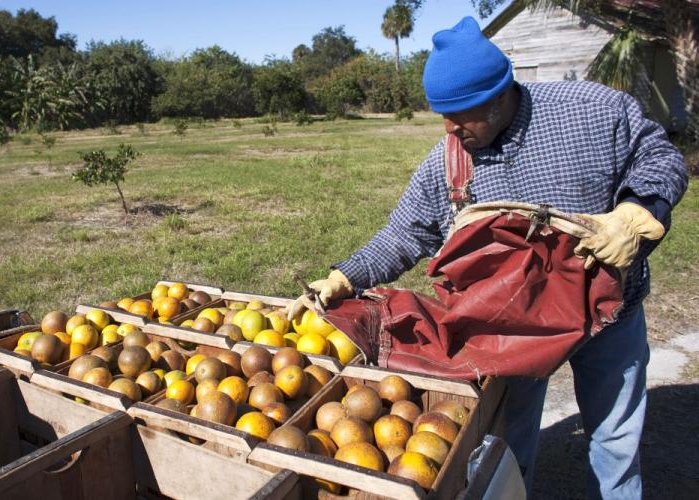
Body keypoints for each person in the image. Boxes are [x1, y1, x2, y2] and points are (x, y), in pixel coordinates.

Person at [286, 16, 688, 499]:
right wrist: (342, 277)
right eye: (443, 115)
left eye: (463, 114)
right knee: (507, 441)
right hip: (511, 332)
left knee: (616, 438)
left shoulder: (594, 113)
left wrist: (636, 212)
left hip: (609, 316)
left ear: (501, 96)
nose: (451, 128)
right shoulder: (449, 160)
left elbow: (660, 157)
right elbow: (404, 233)